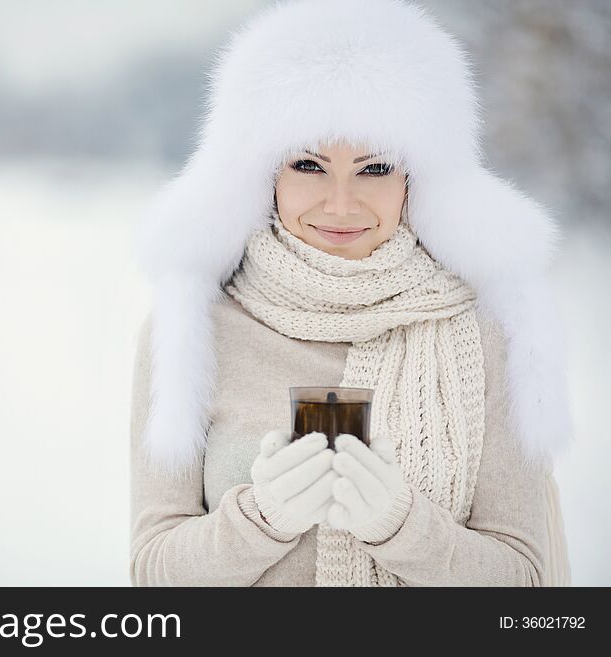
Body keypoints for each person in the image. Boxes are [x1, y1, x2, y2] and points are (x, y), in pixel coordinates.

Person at [129, 0, 573, 586]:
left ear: (415, 177)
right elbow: (152, 572)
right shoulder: (195, 331)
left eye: (374, 168)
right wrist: (262, 519)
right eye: (310, 164)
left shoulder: (487, 333)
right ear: (265, 173)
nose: (341, 204)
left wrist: (401, 526)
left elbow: (527, 584)